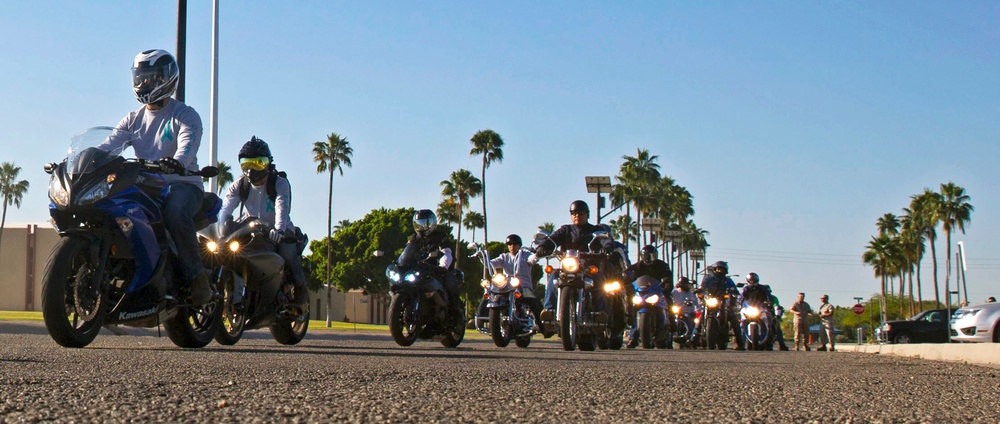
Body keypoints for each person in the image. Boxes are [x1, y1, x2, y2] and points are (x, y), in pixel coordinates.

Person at [101, 49, 210, 306]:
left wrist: (178, 162)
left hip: (182, 185)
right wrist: (86, 159)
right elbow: (109, 145)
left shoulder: (185, 114)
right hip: (146, 185)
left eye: (151, 77)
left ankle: (197, 279)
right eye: (141, 77)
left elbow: (188, 143)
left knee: (174, 213)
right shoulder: (132, 119)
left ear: (168, 78)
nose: (144, 83)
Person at [218, 136, 308, 312]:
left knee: (288, 254)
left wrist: (279, 230)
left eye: (258, 163)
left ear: (268, 163)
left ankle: (300, 291)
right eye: (247, 165)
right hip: (249, 229)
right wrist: (222, 227)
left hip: (277, 232)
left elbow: (282, 206)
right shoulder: (240, 185)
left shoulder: (279, 183)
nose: (252, 170)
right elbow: (226, 208)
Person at [534, 200, 615, 322]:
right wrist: (543, 247)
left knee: (599, 277)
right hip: (568, 267)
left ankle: (600, 313)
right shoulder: (565, 230)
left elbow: (605, 239)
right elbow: (552, 240)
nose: (577, 215)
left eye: (581, 212)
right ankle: (549, 311)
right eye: (574, 213)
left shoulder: (595, 230)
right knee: (554, 274)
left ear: (587, 214)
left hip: (588, 267)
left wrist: (607, 247)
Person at [405, 209, 463, 321]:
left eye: (424, 224)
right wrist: (401, 263)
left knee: (450, 281)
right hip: (422, 269)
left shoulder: (440, 237)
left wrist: (443, 267)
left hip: (440, 270)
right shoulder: (415, 238)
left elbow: (447, 253)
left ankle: (455, 313)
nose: (421, 227)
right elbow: (407, 252)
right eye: (419, 224)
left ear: (431, 223)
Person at [489, 234, 543, 331]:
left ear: (519, 245)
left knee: (534, 302)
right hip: (507, 286)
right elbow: (491, 264)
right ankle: (483, 319)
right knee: (490, 295)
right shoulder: (504, 257)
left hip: (524, 286)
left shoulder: (525, 255)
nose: (512, 246)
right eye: (509, 244)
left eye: (514, 244)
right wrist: (482, 257)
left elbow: (532, 259)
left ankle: (542, 326)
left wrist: (537, 254)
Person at [625, 245, 673, 348]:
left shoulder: (662, 265)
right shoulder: (638, 266)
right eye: (646, 255)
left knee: (670, 302)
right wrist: (625, 280)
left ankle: (672, 327)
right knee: (630, 306)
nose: (648, 258)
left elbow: (667, 276)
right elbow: (628, 274)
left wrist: (667, 285)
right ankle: (633, 337)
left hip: (656, 291)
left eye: (650, 255)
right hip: (641, 292)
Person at [699, 260, 745, 350]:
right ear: (715, 269)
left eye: (722, 269)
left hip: (723, 303)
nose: (720, 271)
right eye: (718, 269)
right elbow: (702, 287)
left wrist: (733, 290)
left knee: (733, 319)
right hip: (711, 301)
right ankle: (693, 338)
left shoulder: (727, 280)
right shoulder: (708, 278)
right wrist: (699, 290)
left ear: (725, 271)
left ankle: (741, 344)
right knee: (699, 317)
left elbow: (733, 288)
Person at [737, 272, 773, 348]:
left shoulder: (763, 288)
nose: (753, 281)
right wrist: (739, 305)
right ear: (748, 280)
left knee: (771, 322)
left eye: (754, 279)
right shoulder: (746, 289)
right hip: (749, 308)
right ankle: (740, 344)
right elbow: (741, 298)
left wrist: (769, 303)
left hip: (760, 308)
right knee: (740, 324)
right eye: (751, 280)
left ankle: (778, 343)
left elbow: (769, 296)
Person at [671, 277, 699, 347]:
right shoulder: (674, 292)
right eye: (681, 284)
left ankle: (689, 335)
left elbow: (696, 302)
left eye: (684, 284)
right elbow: (670, 299)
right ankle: (669, 335)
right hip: (676, 311)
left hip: (687, 312)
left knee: (687, 318)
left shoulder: (690, 293)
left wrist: (690, 303)